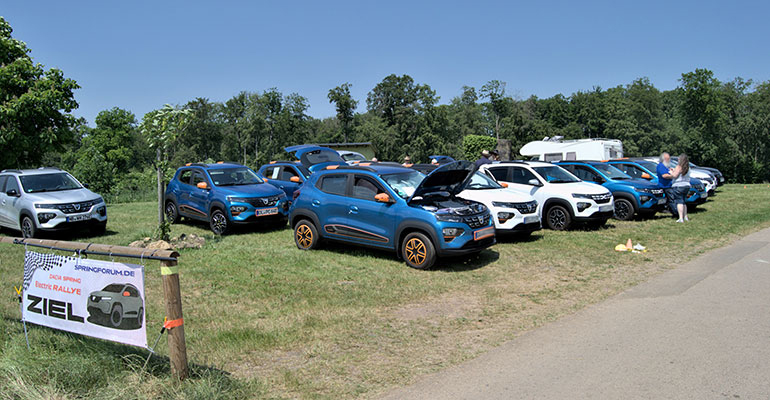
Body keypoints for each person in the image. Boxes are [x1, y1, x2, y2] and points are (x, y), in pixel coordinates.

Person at [669, 153, 692, 223]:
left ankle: (680, 218)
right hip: (686, 185)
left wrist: (671, 172)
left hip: (678, 186)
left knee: (679, 201)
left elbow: (675, 176)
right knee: (683, 201)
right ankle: (685, 216)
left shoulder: (679, 167)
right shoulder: (688, 168)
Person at [656, 152, 676, 218]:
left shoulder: (666, 166)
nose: (669, 160)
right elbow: (664, 175)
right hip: (665, 186)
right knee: (671, 200)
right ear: (663, 159)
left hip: (669, 185)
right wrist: (673, 176)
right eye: (667, 158)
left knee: (671, 200)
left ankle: (671, 210)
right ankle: (676, 213)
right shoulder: (661, 166)